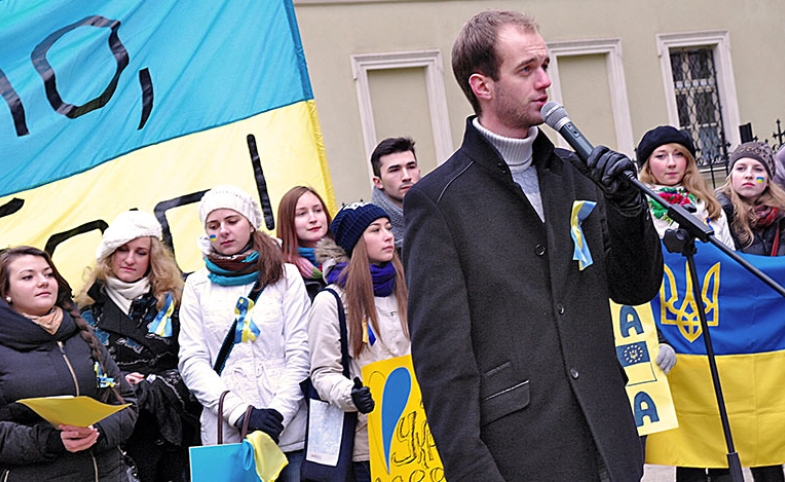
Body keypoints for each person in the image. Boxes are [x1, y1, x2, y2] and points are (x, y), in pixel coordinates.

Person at [403, 10, 663, 481]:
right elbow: (444, 367)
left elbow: (634, 287)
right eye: (526, 69)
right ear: (482, 85)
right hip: (523, 456)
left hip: (611, 443)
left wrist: (628, 211)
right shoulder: (439, 202)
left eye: (545, 65)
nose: (545, 81)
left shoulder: (577, 173)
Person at [178, 184, 309, 482]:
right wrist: (240, 413)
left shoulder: (286, 276)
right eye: (213, 225)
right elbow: (192, 361)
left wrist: (277, 415)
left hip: (288, 435)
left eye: (232, 221)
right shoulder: (197, 286)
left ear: (250, 223)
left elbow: (301, 352)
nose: (223, 231)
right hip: (228, 436)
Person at [675, 143, 785, 482]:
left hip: (771, 332)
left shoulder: (782, 216)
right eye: (742, 169)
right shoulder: (716, 215)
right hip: (729, 333)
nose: (749, 176)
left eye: (758, 170)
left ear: (769, 178)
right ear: (731, 174)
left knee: (766, 428)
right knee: (728, 426)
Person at [76, 210, 200, 482]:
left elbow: (199, 363)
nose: (130, 259)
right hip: (118, 443)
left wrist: (153, 384)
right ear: (109, 254)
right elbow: (77, 374)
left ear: (152, 258)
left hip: (176, 438)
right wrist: (118, 383)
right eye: (122, 250)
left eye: (140, 252)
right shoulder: (83, 310)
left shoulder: (178, 302)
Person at [0, 246, 138, 481]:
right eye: (28, 277)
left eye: (48, 274)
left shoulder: (83, 334)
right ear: (6, 292)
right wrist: (52, 441)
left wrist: (97, 432)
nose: (43, 282)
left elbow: (128, 404)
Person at [308, 202, 410, 482]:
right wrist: (351, 394)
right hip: (367, 445)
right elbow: (322, 373)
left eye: (388, 228)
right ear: (355, 242)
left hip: (416, 435)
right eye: (375, 230)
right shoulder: (331, 301)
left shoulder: (404, 287)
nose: (387, 236)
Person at [636, 125, 736, 249]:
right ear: (648, 165)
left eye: (678, 154)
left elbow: (729, 259)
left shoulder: (708, 205)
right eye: (661, 156)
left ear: (688, 160)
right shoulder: (638, 208)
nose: (671, 163)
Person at [276, 186, 333, 301]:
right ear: (287, 222)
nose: (313, 219)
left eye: (318, 210)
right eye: (302, 214)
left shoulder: (349, 255)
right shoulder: (281, 272)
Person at [369, 137, 421, 253]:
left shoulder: (442, 212)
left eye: (411, 167)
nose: (406, 176)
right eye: (394, 170)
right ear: (378, 182)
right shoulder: (368, 233)